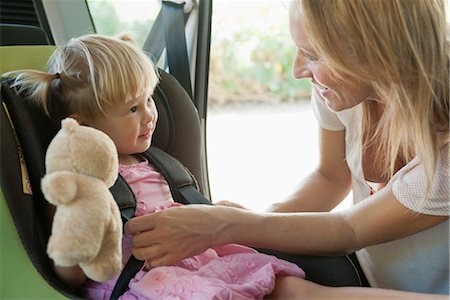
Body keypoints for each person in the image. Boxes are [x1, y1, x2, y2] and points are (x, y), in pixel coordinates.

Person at [124, 0, 449, 298]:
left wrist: (226, 224)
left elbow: (349, 229)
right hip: (369, 275)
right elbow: (330, 176)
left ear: (374, 51)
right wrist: (251, 224)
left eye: (313, 55)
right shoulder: (345, 91)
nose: (297, 70)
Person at [5, 33, 311, 299]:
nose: (150, 116)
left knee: (291, 287)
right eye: (132, 109)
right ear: (85, 126)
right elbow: (70, 276)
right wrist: (81, 227)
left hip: (202, 260)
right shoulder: (78, 184)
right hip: (146, 282)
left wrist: (215, 213)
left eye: (149, 100)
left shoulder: (160, 164)